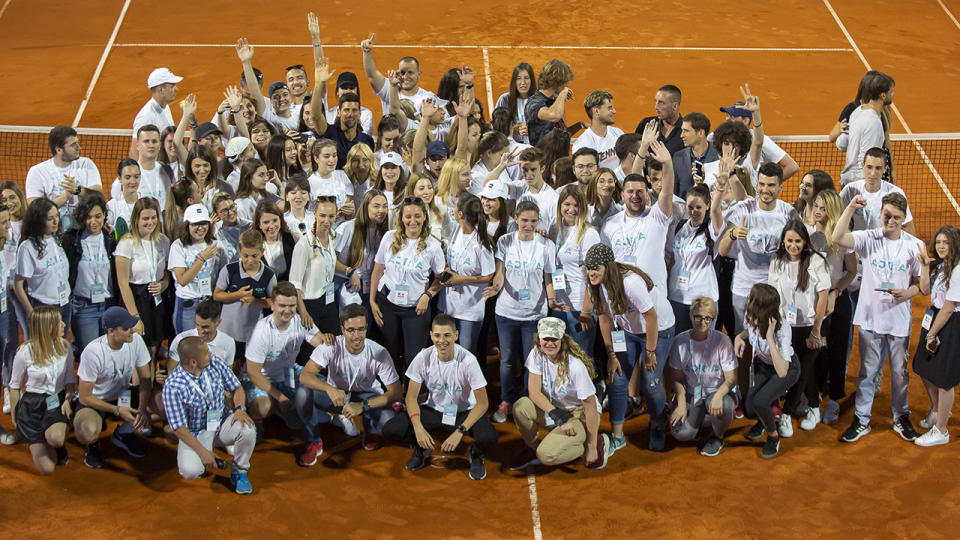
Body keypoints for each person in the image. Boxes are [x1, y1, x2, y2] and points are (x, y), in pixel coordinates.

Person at [833, 192, 923, 443]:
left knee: (899, 373)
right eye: (886, 215)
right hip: (871, 319)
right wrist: (850, 207)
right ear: (880, 214)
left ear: (904, 218)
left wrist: (907, 293)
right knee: (868, 372)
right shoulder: (868, 238)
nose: (890, 221)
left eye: (896, 217)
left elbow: (920, 284)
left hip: (898, 321)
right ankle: (862, 419)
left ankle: (901, 416)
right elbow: (837, 237)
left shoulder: (915, 245)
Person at [383, 313, 497, 479]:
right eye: (437, 335)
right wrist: (418, 428)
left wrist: (460, 431)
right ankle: (420, 448)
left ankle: (476, 454)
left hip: (463, 413)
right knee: (391, 429)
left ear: (456, 335)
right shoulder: (423, 357)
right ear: (431, 335)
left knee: (489, 437)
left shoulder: (469, 361)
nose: (441, 341)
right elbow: (410, 397)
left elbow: (483, 404)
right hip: (434, 411)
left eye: (447, 335)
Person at [295, 303, 401, 464]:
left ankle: (371, 430)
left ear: (366, 328)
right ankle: (314, 441)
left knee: (387, 421)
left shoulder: (379, 352)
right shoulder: (330, 346)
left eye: (361, 329)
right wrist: (329, 389)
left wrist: (363, 406)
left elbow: (396, 393)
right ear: (342, 329)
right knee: (302, 392)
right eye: (351, 330)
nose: (357, 335)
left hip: (365, 396)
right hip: (336, 395)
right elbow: (305, 376)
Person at [584, 243, 664, 452]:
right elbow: (604, 318)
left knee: (650, 382)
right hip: (628, 331)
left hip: (658, 330)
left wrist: (650, 352)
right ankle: (618, 436)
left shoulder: (630, 283)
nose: (591, 272)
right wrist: (611, 354)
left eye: (596, 268)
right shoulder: (596, 284)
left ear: (608, 267)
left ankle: (657, 425)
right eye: (588, 267)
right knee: (617, 378)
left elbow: (652, 317)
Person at [486, 201, 559, 423]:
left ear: (538, 222)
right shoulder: (504, 241)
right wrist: (496, 287)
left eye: (533, 221)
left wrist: (553, 299)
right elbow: (499, 273)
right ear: (516, 219)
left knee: (532, 362)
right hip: (506, 312)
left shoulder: (546, 245)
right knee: (507, 359)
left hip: (534, 315)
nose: (528, 225)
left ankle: (528, 402)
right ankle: (507, 401)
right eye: (524, 220)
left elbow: (549, 278)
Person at [506, 316, 608, 470]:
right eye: (545, 338)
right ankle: (532, 449)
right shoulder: (536, 353)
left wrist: (591, 446)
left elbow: (591, 407)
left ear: (562, 339)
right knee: (521, 407)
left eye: (554, 338)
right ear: (539, 338)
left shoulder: (575, 367)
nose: (549, 343)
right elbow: (534, 393)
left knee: (546, 455)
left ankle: (588, 443)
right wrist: (557, 416)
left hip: (579, 415)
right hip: (557, 410)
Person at [162, 336, 256, 494]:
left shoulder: (215, 362)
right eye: (206, 352)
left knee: (247, 429)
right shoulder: (173, 386)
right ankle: (199, 460)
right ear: (193, 362)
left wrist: (240, 409)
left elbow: (237, 388)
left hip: (222, 422)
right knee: (190, 472)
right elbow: (179, 428)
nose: (210, 353)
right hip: (196, 432)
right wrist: (203, 452)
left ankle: (239, 472)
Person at [243, 282, 334, 437]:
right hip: (261, 377)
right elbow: (253, 372)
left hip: (288, 373)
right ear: (272, 305)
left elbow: (319, 342)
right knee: (262, 407)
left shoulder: (300, 321)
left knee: (330, 391)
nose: (287, 311)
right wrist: (280, 396)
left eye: (292, 306)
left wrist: (331, 345)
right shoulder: (260, 331)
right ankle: (262, 418)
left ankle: (288, 408)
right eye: (282, 305)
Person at [370, 197, 445, 376]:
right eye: (408, 216)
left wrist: (427, 296)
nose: (413, 221)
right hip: (387, 305)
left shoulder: (433, 246)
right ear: (401, 218)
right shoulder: (389, 238)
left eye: (417, 216)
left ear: (425, 217)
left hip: (415, 310)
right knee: (390, 354)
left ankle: (410, 397)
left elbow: (441, 278)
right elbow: (377, 270)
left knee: (414, 359)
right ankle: (392, 397)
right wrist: (372, 302)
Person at [767, 220, 829, 436]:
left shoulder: (816, 261)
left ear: (805, 242)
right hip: (787, 327)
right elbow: (773, 294)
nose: (793, 246)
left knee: (800, 370)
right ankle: (814, 407)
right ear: (783, 241)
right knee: (803, 368)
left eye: (798, 241)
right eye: (789, 241)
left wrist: (817, 331)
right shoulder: (777, 260)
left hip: (813, 325)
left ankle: (786, 414)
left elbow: (823, 297)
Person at [74, 307, 154, 468]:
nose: (131, 331)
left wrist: (142, 408)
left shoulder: (136, 340)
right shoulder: (93, 352)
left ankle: (123, 433)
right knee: (87, 432)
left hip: (123, 396)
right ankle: (93, 444)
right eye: (126, 328)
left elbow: (145, 380)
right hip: (95, 401)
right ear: (111, 331)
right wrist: (117, 411)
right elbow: (84, 397)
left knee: (161, 402)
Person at [808, 189, 858, 425]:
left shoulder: (842, 237)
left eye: (823, 208)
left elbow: (852, 271)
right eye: (816, 206)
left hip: (837, 300)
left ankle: (836, 399)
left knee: (837, 351)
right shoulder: (807, 231)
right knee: (815, 349)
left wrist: (836, 293)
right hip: (813, 300)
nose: (817, 211)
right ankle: (814, 396)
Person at [734, 283, 800, 459]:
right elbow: (749, 331)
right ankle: (764, 421)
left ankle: (773, 436)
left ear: (761, 306)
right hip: (763, 366)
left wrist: (770, 338)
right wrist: (739, 337)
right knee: (749, 409)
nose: (748, 300)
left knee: (761, 402)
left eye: (751, 299)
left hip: (786, 368)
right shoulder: (751, 316)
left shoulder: (782, 329)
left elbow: (782, 371)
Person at [8, 306, 74, 473]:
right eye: (59, 322)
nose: (64, 325)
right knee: (47, 469)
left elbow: (70, 381)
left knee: (57, 440)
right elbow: (14, 387)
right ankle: (42, 439)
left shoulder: (65, 347)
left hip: (55, 401)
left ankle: (54, 442)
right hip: (32, 406)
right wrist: (16, 418)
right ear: (47, 327)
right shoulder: (24, 352)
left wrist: (67, 400)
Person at [667, 297, 736, 457]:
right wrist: (682, 403)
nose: (702, 322)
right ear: (691, 316)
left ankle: (717, 436)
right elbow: (677, 377)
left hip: (717, 392)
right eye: (698, 316)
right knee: (681, 433)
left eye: (708, 318)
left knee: (724, 405)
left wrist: (718, 396)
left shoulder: (723, 341)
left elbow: (731, 379)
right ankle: (702, 420)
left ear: (713, 318)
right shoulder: (680, 341)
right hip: (693, 394)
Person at [913, 225, 960, 446]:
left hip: (949, 324)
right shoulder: (941, 266)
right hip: (934, 318)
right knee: (922, 366)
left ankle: (941, 429)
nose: (941, 246)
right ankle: (936, 410)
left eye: (946, 242)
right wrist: (924, 267)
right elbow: (924, 290)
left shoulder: (958, 270)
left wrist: (931, 335)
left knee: (944, 379)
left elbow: (949, 307)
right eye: (938, 242)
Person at [114, 198, 171, 366]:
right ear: (136, 219)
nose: (150, 222)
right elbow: (123, 284)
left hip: (157, 298)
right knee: (137, 351)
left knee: (154, 347)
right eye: (145, 218)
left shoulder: (163, 241)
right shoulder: (126, 243)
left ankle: (151, 384)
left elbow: (167, 271)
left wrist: (164, 284)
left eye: (153, 217)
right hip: (135, 299)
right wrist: (135, 317)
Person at [64, 192, 118, 353]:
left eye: (98, 216)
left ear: (104, 216)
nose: (93, 222)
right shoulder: (72, 240)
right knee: (91, 355)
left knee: (110, 352)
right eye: (88, 217)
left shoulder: (111, 239)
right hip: (84, 306)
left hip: (109, 304)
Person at [442, 195, 496, 359]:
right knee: (447, 352)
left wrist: (461, 279)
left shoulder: (481, 243)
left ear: (460, 214)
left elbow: (489, 275)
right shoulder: (456, 231)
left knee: (465, 355)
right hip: (448, 304)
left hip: (469, 310)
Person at [25, 125, 103, 231]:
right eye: (73, 145)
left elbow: (99, 196)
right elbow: (34, 210)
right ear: (59, 149)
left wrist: (78, 190)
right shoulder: (37, 172)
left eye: (77, 143)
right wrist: (64, 197)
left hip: (84, 230)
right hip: (52, 232)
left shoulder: (86, 164)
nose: (79, 147)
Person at [553, 184, 602, 354]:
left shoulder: (589, 234)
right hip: (559, 307)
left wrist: (586, 311)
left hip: (580, 308)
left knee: (582, 359)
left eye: (576, 205)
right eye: (567, 204)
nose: (571, 209)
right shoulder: (556, 230)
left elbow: (593, 276)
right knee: (562, 359)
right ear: (560, 206)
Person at [213, 229, 276, 360]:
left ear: (262, 252)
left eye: (254, 256)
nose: (250, 260)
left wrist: (256, 302)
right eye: (245, 255)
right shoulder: (229, 270)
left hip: (253, 334)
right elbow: (217, 295)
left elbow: (275, 303)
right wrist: (237, 294)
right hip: (227, 332)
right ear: (239, 251)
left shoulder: (269, 275)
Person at [14, 198, 71, 335]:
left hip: (64, 303)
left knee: (60, 348)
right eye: (50, 218)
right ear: (38, 220)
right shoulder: (27, 247)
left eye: (57, 216)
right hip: (44, 307)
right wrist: (32, 313)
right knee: (46, 352)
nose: (56, 221)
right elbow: (18, 285)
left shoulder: (56, 237)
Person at [669, 184, 720, 335]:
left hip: (703, 299)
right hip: (676, 297)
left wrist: (721, 188)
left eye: (699, 207)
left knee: (704, 348)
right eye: (690, 207)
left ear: (707, 206)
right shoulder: (680, 226)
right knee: (679, 347)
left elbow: (717, 212)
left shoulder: (711, 229)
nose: (694, 211)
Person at [289, 196, 343, 337]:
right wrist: (303, 312)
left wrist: (350, 271)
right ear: (314, 214)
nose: (327, 220)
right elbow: (295, 284)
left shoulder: (331, 237)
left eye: (331, 216)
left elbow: (329, 264)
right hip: (309, 304)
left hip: (328, 299)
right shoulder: (303, 245)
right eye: (323, 215)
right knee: (312, 351)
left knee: (334, 343)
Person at [168, 204, 223, 334]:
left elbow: (222, 274)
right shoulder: (178, 246)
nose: (200, 228)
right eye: (195, 224)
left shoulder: (216, 244)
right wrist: (202, 258)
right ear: (187, 225)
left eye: (204, 223)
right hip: (188, 304)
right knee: (187, 345)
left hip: (209, 303)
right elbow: (182, 280)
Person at [716, 101, 800, 181]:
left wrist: (765, 187)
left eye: (732, 117)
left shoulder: (759, 145)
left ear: (746, 121)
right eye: (727, 115)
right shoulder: (719, 136)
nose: (727, 119)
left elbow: (792, 167)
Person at [840, 147, 915, 235]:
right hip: (856, 244)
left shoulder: (895, 193)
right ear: (862, 166)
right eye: (869, 167)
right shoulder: (850, 190)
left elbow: (909, 229)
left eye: (878, 168)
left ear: (885, 169)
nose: (873, 173)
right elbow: (834, 216)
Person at [360, 33, 438, 117]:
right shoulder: (389, 88)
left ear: (419, 74)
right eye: (402, 72)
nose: (405, 77)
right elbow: (372, 74)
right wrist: (366, 52)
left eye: (410, 72)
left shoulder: (428, 97)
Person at [840, 70, 895, 186]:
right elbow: (867, 159)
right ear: (883, 95)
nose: (893, 94)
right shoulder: (874, 122)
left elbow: (841, 143)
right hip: (859, 183)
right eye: (891, 91)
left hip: (847, 180)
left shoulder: (858, 111)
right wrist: (866, 189)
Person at [168, 299, 237, 374]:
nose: (200, 331)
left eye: (205, 327)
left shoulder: (228, 343)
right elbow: (171, 370)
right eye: (197, 324)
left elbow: (227, 375)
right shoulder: (181, 340)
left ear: (218, 322)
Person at [131, 67, 183, 158]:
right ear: (161, 90)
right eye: (172, 86)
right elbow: (135, 152)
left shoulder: (165, 107)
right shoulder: (146, 117)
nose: (176, 89)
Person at [510, 147, 560, 235]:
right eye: (525, 169)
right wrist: (501, 166)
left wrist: (544, 236)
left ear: (542, 168)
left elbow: (556, 233)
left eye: (533, 169)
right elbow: (489, 188)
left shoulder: (553, 199)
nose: (528, 174)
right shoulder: (520, 186)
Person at [525, 59, 575, 145]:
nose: (567, 86)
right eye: (566, 82)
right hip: (543, 157)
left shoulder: (555, 99)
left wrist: (581, 125)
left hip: (559, 155)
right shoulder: (534, 103)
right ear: (557, 82)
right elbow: (554, 116)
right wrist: (563, 93)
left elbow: (563, 132)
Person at [572, 90, 623, 171]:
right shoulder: (582, 144)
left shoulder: (618, 133)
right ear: (596, 111)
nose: (614, 111)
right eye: (610, 108)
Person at [672, 112, 718, 198]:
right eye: (682, 131)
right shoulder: (678, 157)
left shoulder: (719, 157)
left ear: (700, 133)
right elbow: (675, 193)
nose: (681, 135)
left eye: (686, 131)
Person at [633, 85, 684, 156]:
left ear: (675, 106)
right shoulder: (646, 124)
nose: (656, 107)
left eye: (661, 103)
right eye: (656, 102)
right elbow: (633, 152)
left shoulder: (687, 130)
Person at [252, 201, 296, 282]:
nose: (271, 226)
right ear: (259, 225)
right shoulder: (253, 244)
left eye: (275, 220)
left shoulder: (294, 238)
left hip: (290, 290)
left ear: (280, 220)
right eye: (266, 222)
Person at [495, 62, 536, 144]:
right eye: (519, 78)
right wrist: (514, 128)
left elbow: (549, 127)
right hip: (510, 149)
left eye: (526, 78)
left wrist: (533, 130)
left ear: (531, 80)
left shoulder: (539, 100)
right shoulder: (505, 99)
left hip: (534, 150)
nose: (523, 82)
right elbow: (496, 126)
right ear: (514, 81)